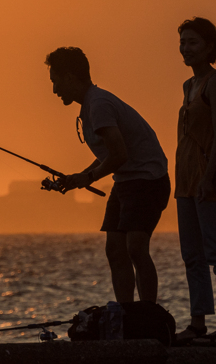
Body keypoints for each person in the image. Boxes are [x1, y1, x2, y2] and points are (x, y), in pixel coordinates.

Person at [45, 47, 171, 304]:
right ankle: (126, 315)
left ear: (70, 77)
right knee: (115, 250)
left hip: (147, 181)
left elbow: (119, 154)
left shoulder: (98, 104)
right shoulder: (90, 105)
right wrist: (78, 177)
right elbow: (111, 154)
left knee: (135, 248)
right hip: (125, 181)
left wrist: (88, 178)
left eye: (55, 81)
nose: (55, 90)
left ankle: (147, 314)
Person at [174, 18, 216, 345]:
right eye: (183, 42)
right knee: (192, 255)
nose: (186, 48)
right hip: (183, 178)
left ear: (209, 47)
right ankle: (197, 321)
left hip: (205, 178)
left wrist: (207, 176)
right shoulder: (188, 86)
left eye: (193, 42)